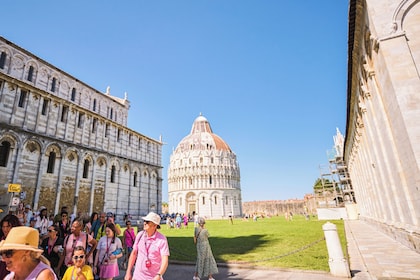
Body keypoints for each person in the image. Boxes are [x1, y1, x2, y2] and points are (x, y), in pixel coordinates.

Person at [124, 212, 169, 280]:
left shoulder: (162, 239)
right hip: (137, 277)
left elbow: (165, 260)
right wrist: (128, 272)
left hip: (153, 278)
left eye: (147, 222)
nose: (144, 223)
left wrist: (159, 275)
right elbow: (133, 254)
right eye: (144, 221)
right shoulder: (140, 235)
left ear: (155, 225)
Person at [0, 214, 21, 279]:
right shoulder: (1, 239)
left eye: (8, 226)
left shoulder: (20, 242)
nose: (5, 229)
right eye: (3, 227)